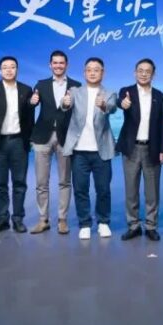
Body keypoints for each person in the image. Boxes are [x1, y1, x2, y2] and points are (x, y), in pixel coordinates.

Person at [61, 57, 118, 240]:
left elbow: (112, 108)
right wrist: (65, 103)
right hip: (79, 151)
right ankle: (84, 223)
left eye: (96, 69)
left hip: (102, 151)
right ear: (84, 73)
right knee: (80, 189)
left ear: (103, 73)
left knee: (103, 189)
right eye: (89, 70)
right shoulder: (75, 91)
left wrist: (103, 106)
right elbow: (65, 104)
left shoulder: (110, 93)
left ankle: (103, 222)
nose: (92, 73)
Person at [28, 50, 81, 235]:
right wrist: (32, 101)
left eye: (61, 63)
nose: (58, 65)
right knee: (41, 182)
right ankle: (43, 220)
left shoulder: (76, 86)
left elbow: (80, 113)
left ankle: (62, 220)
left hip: (66, 138)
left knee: (65, 181)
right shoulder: (41, 85)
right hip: (42, 137)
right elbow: (31, 104)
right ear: (50, 65)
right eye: (55, 63)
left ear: (67, 65)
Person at [115, 58, 163, 241]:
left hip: (152, 148)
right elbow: (120, 102)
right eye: (140, 70)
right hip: (131, 148)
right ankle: (134, 225)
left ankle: (151, 226)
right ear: (135, 72)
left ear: (153, 74)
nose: (144, 74)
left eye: (148, 71)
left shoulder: (159, 96)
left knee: (152, 191)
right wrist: (123, 104)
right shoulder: (126, 92)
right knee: (131, 190)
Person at [0, 56, 36, 234]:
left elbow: (29, 117)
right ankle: (2, 218)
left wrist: (30, 138)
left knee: (19, 182)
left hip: (18, 142)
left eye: (12, 67)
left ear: (17, 70)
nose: (9, 70)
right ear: (0, 71)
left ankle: (18, 218)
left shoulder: (26, 89)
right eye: (5, 67)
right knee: (0, 184)